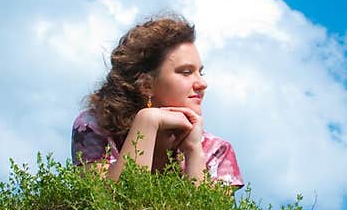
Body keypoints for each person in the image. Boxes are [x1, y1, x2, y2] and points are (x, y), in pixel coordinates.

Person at [71, 14, 244, 190]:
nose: (202, 84)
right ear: (146, 85)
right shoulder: (95, 126)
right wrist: (147, 122)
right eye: (185, 72)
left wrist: (193, 151)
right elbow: (105, 204)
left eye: (200, 72)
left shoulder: (218, 151)